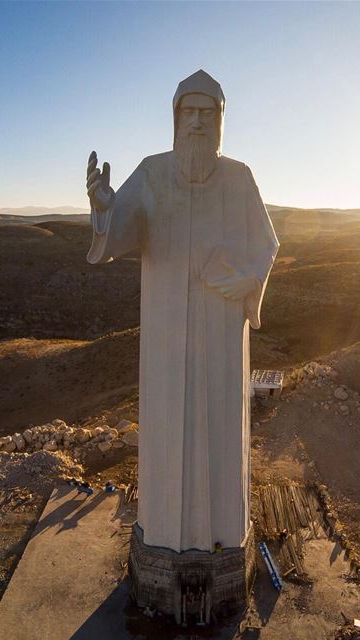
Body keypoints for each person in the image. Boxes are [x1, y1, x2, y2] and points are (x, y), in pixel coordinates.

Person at [86, 70, 279, 553]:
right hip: (166, 332)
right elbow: (123, 232)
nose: (196, 122)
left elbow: (267, 244)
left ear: (220, 120)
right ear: (175, 117)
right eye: (187, 112)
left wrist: (248, 280)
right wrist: (105, 208)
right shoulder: (152, 172)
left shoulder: (239, 177)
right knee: (166, 429)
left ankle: (223, 546)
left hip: (220, 333)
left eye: (206, 113)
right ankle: (160, 545)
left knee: (222, 430)